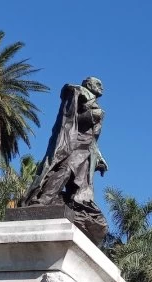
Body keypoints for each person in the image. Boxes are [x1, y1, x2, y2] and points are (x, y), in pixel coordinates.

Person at [22, 77, 109, 244]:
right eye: (97, 84)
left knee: (77, 183)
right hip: (72, 144)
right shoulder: (78, 93)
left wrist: (99, 158)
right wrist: (93, 113)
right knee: (66, 170)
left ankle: (57, 202)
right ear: (88, 84)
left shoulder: (96, 106)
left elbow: (93, 139)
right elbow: (74, 116)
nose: (101, 87)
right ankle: (43, 200)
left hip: (86, 149)